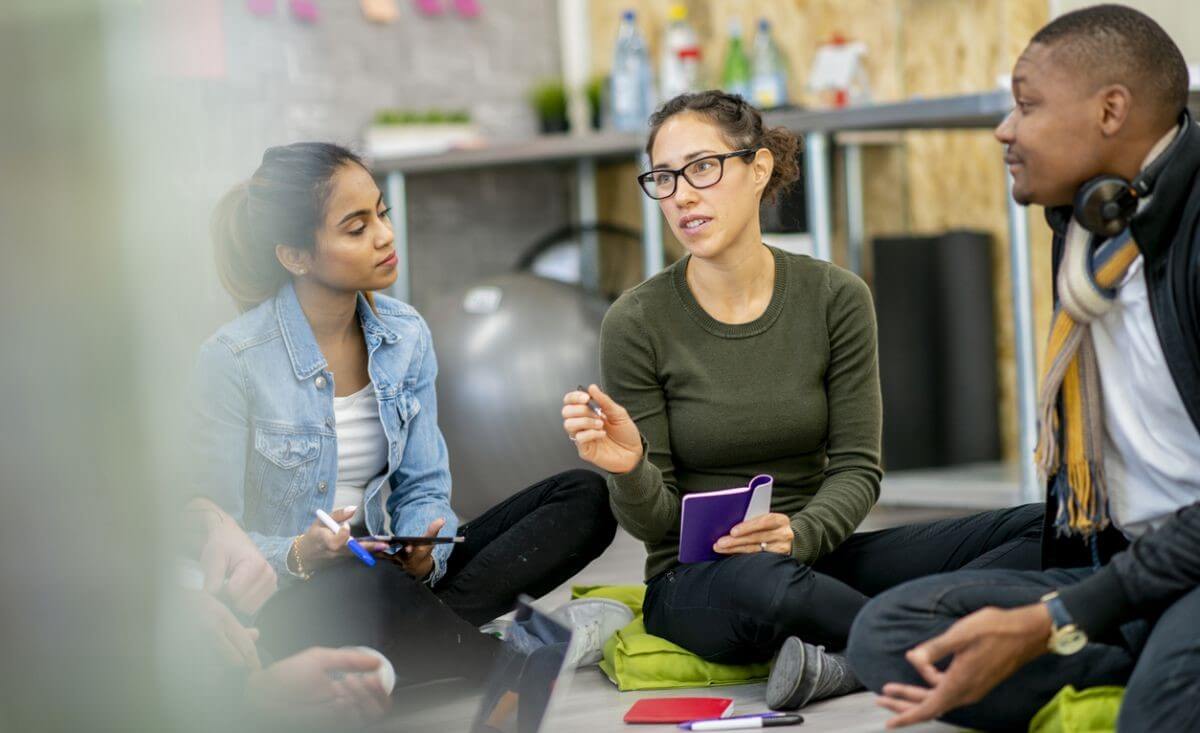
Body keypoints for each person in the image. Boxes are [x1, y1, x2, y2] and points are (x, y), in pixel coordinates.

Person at [560, 90, 1044, 711]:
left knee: (1042, 525)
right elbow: (654, 526)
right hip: (701, 582)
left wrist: (801, 534)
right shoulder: (636, 320)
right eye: (663, 177)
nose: (681, 194)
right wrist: (629, 469)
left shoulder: (835, 295)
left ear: (758, 169)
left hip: (815, 557)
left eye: (702, 167)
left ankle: (844, 655)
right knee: (766, 585)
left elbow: (858, 468)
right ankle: (932, 645)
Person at [845, 6, 1200, 731]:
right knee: (891, 634)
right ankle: (1153, 653)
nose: (1005, 129)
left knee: (1158, 712)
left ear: (1111, 110)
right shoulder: (1088, 228)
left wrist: (1060, 616)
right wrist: (1078, 603)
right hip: (1131, 562)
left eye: (1027, 104)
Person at [193, 142, 622, 685]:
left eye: (382, 213)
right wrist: (302, 553)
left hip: (389, 580)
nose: (384, 235)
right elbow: (218, 537)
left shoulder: (406, 335)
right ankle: (497, 660)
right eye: (355, 228)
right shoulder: (231, 360)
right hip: (295, 603)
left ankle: (420, 649)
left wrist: (423, 553)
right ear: (295, 255)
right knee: (363, 585)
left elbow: (423, 486)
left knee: (583, 498)